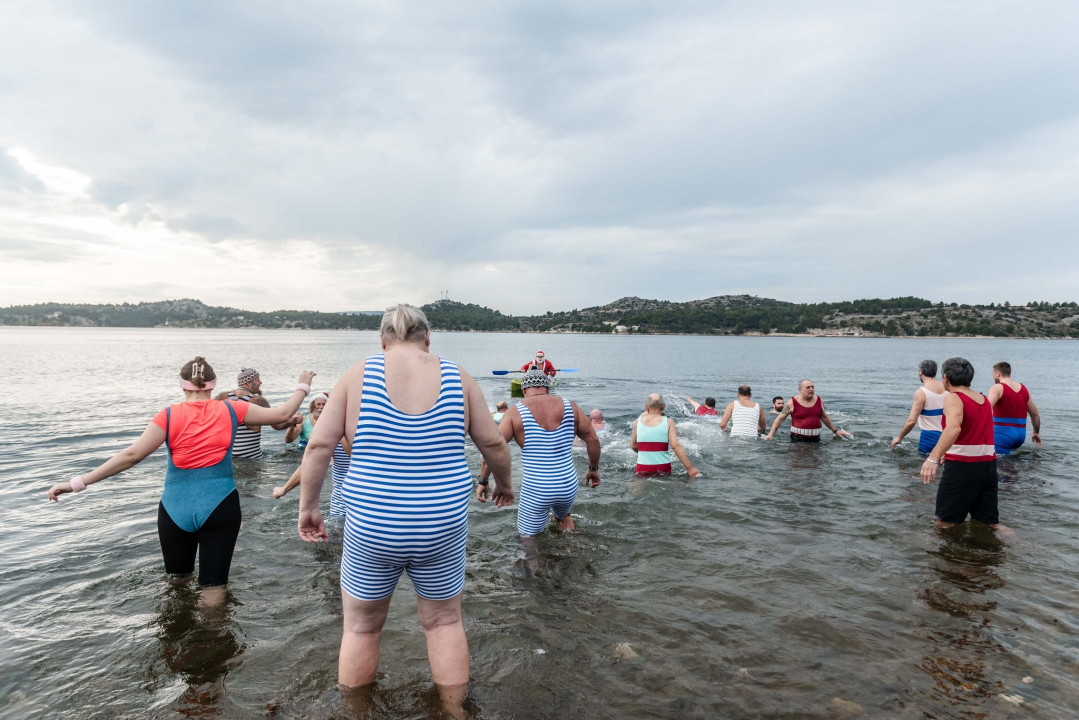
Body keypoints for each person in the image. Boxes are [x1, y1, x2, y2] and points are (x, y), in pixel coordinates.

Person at [294, 304, 513, 711]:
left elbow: (320, 445)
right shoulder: (458, 376)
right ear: (427, 339)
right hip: (441, 521)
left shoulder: (357, 375)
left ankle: (357, 712)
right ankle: (453, 711)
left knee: (361, 629)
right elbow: (494, 443)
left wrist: (309, 507)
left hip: (373, 520)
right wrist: (503, 484)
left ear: (382, 341)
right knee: (444, 622)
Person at [48, 357, 314, 605]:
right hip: (220, 504)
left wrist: (77, 483)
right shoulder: (233, 410)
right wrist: (303, 385)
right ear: (213, 384)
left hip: (175, 508)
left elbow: (131, 456)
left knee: (176, 583)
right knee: (213, 588)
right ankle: (213, 647)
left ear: (182, 385)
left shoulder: (167, 415)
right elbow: (282, 414)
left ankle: (177, 642)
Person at [477, 370, 601, 535]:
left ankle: (534, 559)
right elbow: (593, 440)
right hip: (567, 483)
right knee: (564, 517)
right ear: (547, 388)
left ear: (523, 390)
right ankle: (574, 550)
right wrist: (593, 470)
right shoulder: (571, 407)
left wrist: (484, 481)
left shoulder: (514, 412)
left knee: (529, 539)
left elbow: (493, 449)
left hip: (537, 487)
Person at [920, 357, 1007, 531]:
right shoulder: (983, 399)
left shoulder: (953, 397)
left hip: (963, 468)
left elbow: (954, 428)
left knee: (943, 522)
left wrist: (932, 458)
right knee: (990, 524)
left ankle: (946, 557)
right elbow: (973, 432)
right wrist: (948, 451)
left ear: (945, 378)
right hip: (988, 468)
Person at [215, 368, 301, 459]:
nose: (260, 382)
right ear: (248, 383)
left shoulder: (222, 397)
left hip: (228, 458)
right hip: (252, 457)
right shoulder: (257, 400)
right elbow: (277, 425)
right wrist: (293, 420)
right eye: (257, 380)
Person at [273, 393, 329, 499]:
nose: (321, 407)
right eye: (319, 404)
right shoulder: (304, 420)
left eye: (324, 404)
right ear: (313, 406)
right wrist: (291, 425)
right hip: (302, 450)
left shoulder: (331, 421)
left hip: (319, 451)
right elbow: (288, 440)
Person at [631, 394, 700, 477]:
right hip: (663, 467)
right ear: (664, 407)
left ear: (646, 407)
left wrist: (646, 453)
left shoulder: (637, 422)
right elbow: (675, 445)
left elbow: (634, 446)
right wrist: (690, 468)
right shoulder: (669, 422)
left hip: (643, 468)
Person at [765, 379, 852, 441]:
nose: (811, 389)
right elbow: (780, 418)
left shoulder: (819, 400)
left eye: (812, 387)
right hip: (798, 440)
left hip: (816, 439)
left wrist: (836, 431)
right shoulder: (791, 403)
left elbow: (824, 416)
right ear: (800, 390)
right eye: (808, 387)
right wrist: (771, 434)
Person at [891, 360, 948, 453]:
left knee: (926, 465)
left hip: (929, 437)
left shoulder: (921, 393)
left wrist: (899, 437)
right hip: (947, 436)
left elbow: (911, 421)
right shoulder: (947, 388)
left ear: (921, 372)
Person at [987, 361, 1042, 456]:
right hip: (1020, 436)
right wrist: (1036, 432)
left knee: (1000, 466)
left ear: (998, 374)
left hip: (1002, 434)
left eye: (993, 373)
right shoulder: (1024, 389)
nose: (993, 376)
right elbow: (1035, 415)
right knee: (1010, 466)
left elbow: (986, 408)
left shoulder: (997, 388)